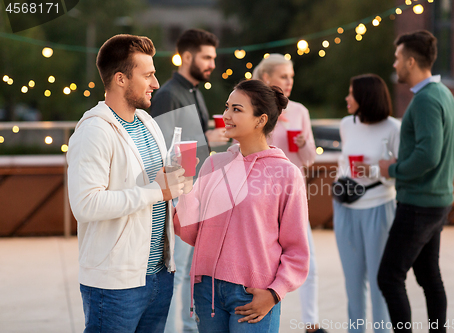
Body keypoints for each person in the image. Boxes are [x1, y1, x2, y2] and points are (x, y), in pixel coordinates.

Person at [67, 34, 187, 333]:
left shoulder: (148, 123)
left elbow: (161, 188)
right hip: (115, 285)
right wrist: (156, 190)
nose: (156, 83)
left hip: (159, 276)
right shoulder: (94, 131)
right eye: (147, 75)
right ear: (121, 79)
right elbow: (85, 205)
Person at [173, 79, 310, 333]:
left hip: (254, 295)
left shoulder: (286, 174)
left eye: (237, 109)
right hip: (208, 292)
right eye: (227, 107)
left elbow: (298, 250)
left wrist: (274, 293)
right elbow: (192, 234)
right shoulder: (213, 165)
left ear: (260, 120)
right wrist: (185, 189)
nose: (226, 115)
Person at [378, 30, 454, 332]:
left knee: (389, 277)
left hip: (419, 204)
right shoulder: (443, 93)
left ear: (411, 61)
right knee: (428, 277)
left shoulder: (426, 100)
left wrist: (393, 169)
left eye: (398, 58)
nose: (395, 63)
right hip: (434, 202)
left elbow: (428, 155)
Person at [150, 28, 227, 333]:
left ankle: (188, 326)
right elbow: (161, 148)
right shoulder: (169, 93)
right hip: (177, 196)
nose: (212, 64)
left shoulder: (194, 90)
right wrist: (206, 138)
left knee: (192, 271)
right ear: (188, 56)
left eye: (213, 58)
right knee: (178, 271)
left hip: (195, 194)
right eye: (207, 57)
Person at [252, 54, 324, 333]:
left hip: (293, 198)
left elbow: (309, 160)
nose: (290, 82)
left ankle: (311, 323)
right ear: (267, 78)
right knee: (260, 263)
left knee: (309, 262)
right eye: (284, 76)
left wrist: (306, 144)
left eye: (292, 77)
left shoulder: (300, 111)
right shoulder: (254, 108)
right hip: (261, 197)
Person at [333, 74, 400, 333]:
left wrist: (371, 171)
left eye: (352, 93)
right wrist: (340, 185)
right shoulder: (346, 124)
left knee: (379, 281)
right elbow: (343, 162)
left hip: (378, 207)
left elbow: (397, 171)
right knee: (352, 282)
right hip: (345, 208)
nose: (347, 98)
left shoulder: (393, 128)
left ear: (366, 98)